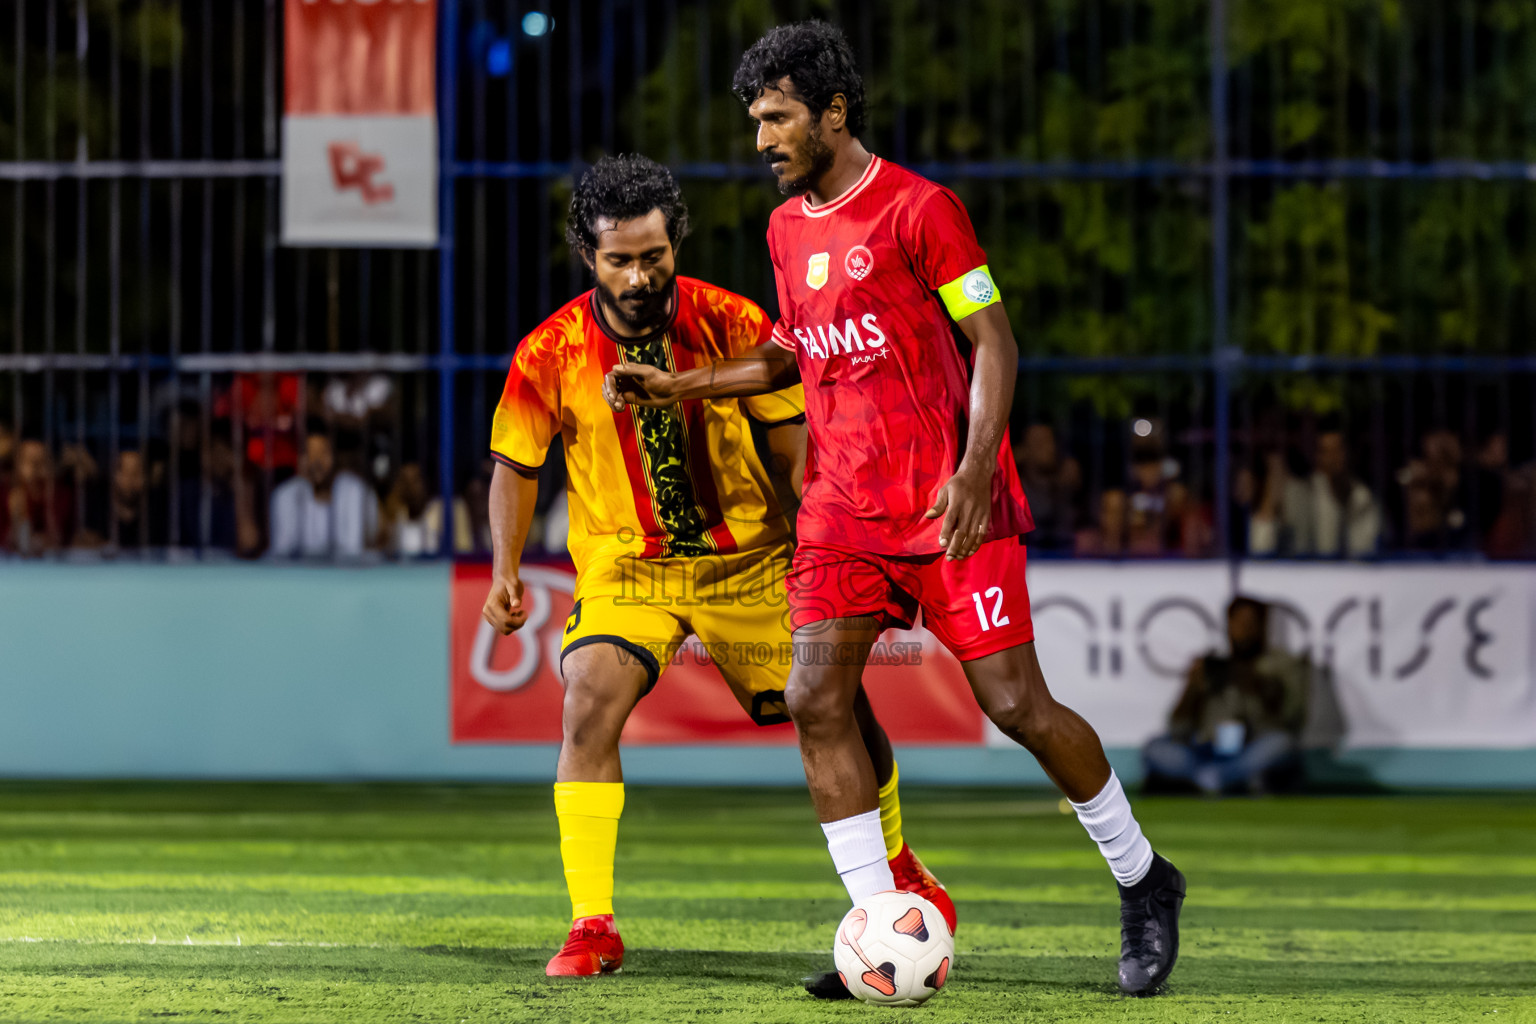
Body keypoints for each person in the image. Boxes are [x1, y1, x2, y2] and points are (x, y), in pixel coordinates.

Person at [607, 22, 1185, 998]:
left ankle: (1144, 876)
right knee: (814, 698)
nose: (761, 139)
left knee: (1016, 706)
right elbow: (793, 351)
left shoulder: (922, 210)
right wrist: (681, 384)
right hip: (842, 512)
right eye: (755, 120)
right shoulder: (786, 230)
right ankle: (881, 925)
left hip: (948, 505)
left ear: (833, 112)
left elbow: (994, 342)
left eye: (777, 117)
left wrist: (974, 468)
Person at [481, 155, 951, 979]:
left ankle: (899, 861)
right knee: (587, 698)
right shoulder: (548, 351)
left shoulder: (733, 322)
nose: (638, 276)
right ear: (588, 255)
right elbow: (516, 466)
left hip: (749, 562)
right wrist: (504, 569)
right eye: (619, 260)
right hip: (628, 570)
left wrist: (824, 526)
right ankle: (593, 924)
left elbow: (795, 443)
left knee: (833, 705)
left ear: (675, 244)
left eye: (652, 256)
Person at [1143, 597, 1308, 795]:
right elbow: (1177, 728)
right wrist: (1192, 688)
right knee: (1155, 748)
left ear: (1263, 626)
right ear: (1228, 625)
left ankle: (1214, 780)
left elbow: (1292, 719)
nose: (1244, 630)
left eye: (1250, 623)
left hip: (1251, 746)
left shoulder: (1281, 665)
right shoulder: (1214, 665)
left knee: (1281, 745)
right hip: (1207, 749)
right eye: (1238, 622)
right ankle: (1220, 779)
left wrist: (1252, 679)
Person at [1251, 429, 1380, 558]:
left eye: (1338, 450)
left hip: (1345, 569)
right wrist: (1271, 492)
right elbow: (1260, 549)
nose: (1332, 458)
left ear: (1348, 453)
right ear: (1316, 456)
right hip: (1303, 569)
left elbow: (1364, 551)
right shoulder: (1299, 492)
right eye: (1325, 451)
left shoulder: (1361, 496)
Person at [268, 431, 378, 558]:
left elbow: (368, 540)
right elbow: (282, 552)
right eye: (310, 453)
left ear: (335, 456)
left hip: (348, 568)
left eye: (323, 453)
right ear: (300, 459)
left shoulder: (355, 491)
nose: (317, 461)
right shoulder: (285, 495)